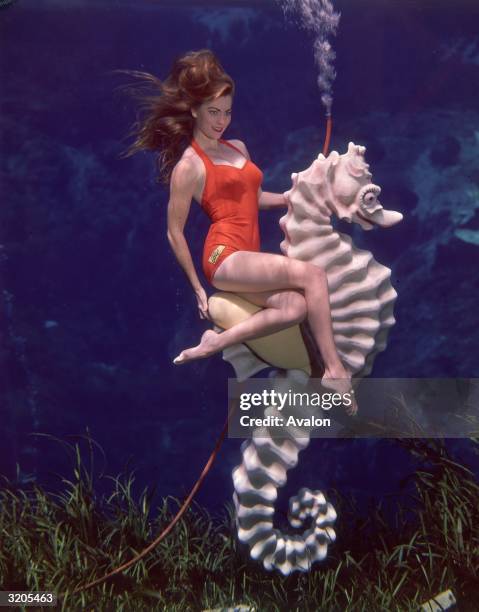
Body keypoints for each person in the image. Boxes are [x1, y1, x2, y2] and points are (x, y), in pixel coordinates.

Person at [118, 49, 357, 415]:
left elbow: (255, 197)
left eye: (227, 112)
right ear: (195, 110)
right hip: (223, 255)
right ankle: (335, 371)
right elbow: (173, 232)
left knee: (295, 305)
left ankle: (215, 343)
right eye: (213, 112)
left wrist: (297, 199)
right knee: (313, 275)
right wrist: (198, 287)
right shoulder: (189, 166)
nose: (221, 121)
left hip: (248, 253)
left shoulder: (237, 147)